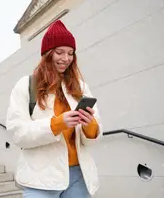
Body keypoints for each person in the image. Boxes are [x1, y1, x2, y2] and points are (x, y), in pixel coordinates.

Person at [6, 20, 103, 198]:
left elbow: (93, 137)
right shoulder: (26, 85)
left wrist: (90, 126)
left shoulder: (80, 87)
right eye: (59, 52)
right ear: (47, 54)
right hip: (39, 179)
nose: (66, 59)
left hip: (78, 176)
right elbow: (17, 133)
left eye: (70, 53)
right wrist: (57, 124)